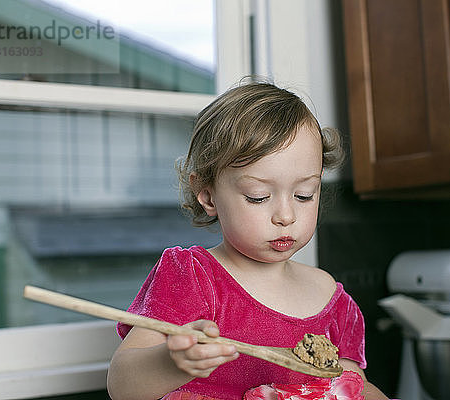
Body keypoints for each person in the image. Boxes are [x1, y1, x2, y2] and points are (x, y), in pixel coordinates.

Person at [107, 81, 389, 400]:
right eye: (258, 197)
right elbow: (122, 386)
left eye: (304, 195)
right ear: (208, 195)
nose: (286, 215)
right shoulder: (192, 278)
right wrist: (175, 361)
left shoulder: (331, 298)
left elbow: (353, 387)